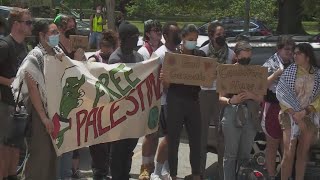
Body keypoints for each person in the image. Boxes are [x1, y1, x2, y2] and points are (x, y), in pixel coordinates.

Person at [12, 19, 61, 180]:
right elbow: (33, 90)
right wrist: (44, 118)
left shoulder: (56, 52)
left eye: (57, 32)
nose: (57, 35)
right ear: (41, 35)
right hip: (39, 116)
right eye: (53, 33)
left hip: (54, 112)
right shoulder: (34, 57)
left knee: (52, 158)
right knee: (40, 158)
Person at [164, 24, 205, 180]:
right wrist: (165, 79)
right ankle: (173, 174)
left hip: (193, 101)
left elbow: (207, 80)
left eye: (195, 39)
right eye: (190, 39)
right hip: (175, 101)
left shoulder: (200, 56)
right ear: (182, 38)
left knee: (196, 140)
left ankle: (196, 174)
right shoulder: (173, 56)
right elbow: (166, 85)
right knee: (173, 140)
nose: (193, 42)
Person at [219, 41, 263, 180]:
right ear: (237, 56)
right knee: (230, 155)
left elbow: (261, 97)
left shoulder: (255, 72)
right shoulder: (227, 71)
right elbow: (220, 97)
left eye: (248, 57)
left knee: (244, 155)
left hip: (250, 113)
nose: (246, 60)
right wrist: (232, 100)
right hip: (232, 112)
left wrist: (252, 96)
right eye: (243, 57)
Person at [276, 43, 320, 180]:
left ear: (307, 56)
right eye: (294, 53)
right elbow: (281, 94)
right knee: (289, 152)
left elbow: (318, 98)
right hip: (289, 115)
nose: (294, 56)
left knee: (303, 153)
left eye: (298, 53)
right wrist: (296, 115)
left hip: (308, 115)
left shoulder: (318, 74)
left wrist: (304, 113)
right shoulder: (289, 72)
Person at [199, 22, 235, 179]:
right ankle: (199, 172)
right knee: (202, 134)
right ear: (211, 36)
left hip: (222, 95)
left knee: (222, 135)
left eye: (223, 34)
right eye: (218, 34)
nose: (222, 37)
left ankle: (222, 173)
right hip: (204, 95)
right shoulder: (202, 52)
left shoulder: (231, 54)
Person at [108, 21, 143, 180]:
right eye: (133, 38)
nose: (136, 41)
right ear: (123, 39)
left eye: (137, 37)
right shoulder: (115, 59)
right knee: (118, 151)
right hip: (119, 114)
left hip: (134, 112)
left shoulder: (139, 57)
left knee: (129, 150)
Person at [0, 7, 32, 180]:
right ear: (16, 24)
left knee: (15, 147)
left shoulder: (24, 46)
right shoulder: (5, 45)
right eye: (28, 22)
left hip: (20, 105)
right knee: (4, 149)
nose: (30, 26)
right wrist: (9, 82)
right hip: (6, 105)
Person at [54, 14, 86, 179]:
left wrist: (81, 59)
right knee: (60, 142)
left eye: (74, 26)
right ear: (60, 28)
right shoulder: (55, 47)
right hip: (58, 101)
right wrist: (76, 61)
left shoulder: (76, 47)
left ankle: (67, 175)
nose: (73, 30)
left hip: (74, 100)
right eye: (69, 27)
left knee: (71, 143)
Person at [150, 21, 181, 180]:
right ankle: (156, 171)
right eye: (175, 34)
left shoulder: (179, 52)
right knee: (169, 137)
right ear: (165, 36)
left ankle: (166, 170)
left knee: (173, 139)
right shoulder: (160, 54)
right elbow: (153, 80)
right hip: (165, 102)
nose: (179, 37)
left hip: (177, 101)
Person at [261, 35, 295, 179]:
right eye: (287, 49)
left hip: (290, 109)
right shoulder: (270, 63)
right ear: (279, 49)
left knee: (287, 147)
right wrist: (276, 74)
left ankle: (285, 176)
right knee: (272, 146)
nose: (290, 52)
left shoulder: (295, 63)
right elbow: (261, 85)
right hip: (273, 108)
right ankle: (271, 175)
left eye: (292, 49)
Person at [87, 30, 118, 180]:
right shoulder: (94, 59)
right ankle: (98, 173)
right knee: (98, 145)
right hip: (97, 108)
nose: (107, 49)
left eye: (109, 46)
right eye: (104, 46)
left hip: (111, 107)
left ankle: (106, 171)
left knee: (110, 143)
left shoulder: (116, 59)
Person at [137, 19, 163, 180]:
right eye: (155, 30)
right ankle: (144, 167)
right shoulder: (143, 52)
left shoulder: (163, 49)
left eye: (160, 29)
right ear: (147, 33)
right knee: (149, 134)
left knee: (157, 135)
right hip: (148, 98)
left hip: (162, 97)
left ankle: (153, 165)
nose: (159, 32)